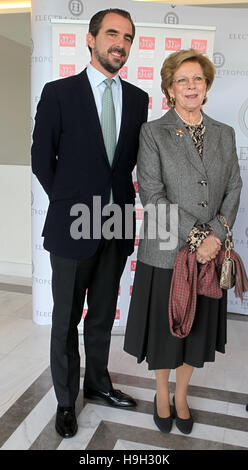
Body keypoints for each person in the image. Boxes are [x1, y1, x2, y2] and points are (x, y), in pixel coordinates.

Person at [31, 8, 149, 438]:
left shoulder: (138, 99)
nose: (121, 43)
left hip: (117, 222)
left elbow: (127, 164)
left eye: (129, 37)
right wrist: (69, 206)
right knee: (65, 318)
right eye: (113, 34)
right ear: (91, 39)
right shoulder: (58, 92)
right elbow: (42, 159)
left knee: (101, 315)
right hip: (72, 225)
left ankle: (98, 384)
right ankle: (66, 400)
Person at [124, 49, 242, 435]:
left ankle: (182, 394)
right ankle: (161, 392)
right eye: (182, 80)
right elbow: (152, 195)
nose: (191, 86)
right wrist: (197, 236)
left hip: (211, 254)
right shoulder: (153, 132)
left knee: (197, 331)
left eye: (197, 79)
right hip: (166, 251)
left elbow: (234, 188)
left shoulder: (225, 132)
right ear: (169, 90)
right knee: (165, 329)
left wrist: (217, 237)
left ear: (206, 85)